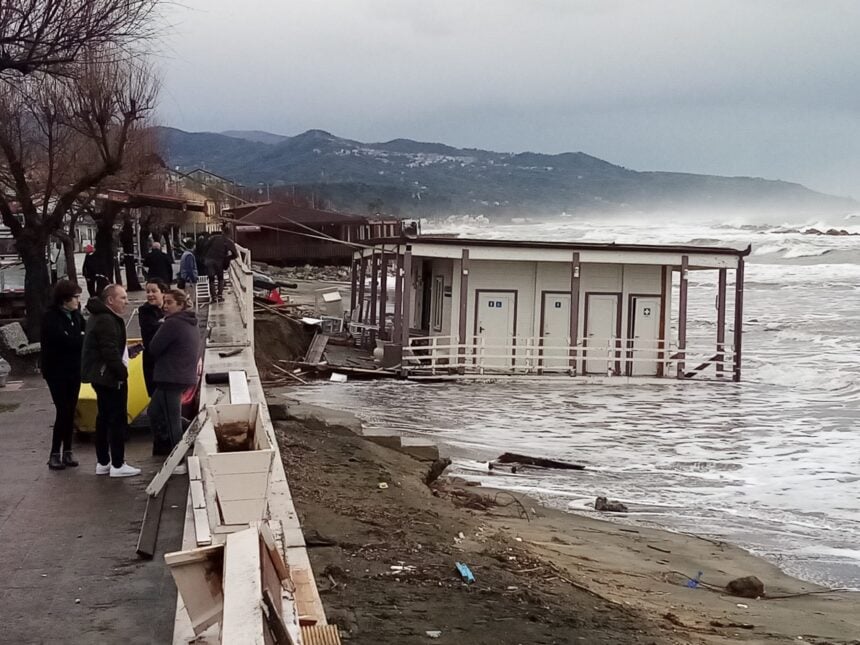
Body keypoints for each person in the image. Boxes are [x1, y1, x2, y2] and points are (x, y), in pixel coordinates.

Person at [81, 284, 141, 478]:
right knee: (116, 419)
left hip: (100, 376)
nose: (126, 302)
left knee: (104, 418)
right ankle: (117, 463)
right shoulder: (107, 320)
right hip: (109, 377)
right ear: (110, 300)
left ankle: (103, 462)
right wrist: (122, 373)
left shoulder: (98, 317)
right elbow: (109, 351)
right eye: (122, 298)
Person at [147, 289, 200, 468]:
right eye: (165, 302)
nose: (165, 306)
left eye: (169, 303)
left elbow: (154, 347)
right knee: (154, 412)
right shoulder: (190, 322)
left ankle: (178, 460)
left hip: (172, 376)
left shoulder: (172, 324)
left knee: (172, 420)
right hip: (180, 375)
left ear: (180, 304)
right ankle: (195, 428)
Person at [40, 280, 85, 470]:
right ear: (65, 299)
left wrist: (79, 337)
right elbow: (64, 340)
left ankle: (67, 450)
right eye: (75, 297)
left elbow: (85, 334)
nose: (77, 301)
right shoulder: (51, 317)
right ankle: (54, 453)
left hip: (74, 370)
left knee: (71, 409)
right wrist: (78, 337)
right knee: (63, 410)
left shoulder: (76, 316)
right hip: (56, 371)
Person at [138, 278, 167, 398]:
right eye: (148, 291)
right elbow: (152, 329)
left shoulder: (168, 308)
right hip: (153, 361)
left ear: (163, 292)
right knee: (157, 396)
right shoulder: (145, 311)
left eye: (154, 291)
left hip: (169, 361)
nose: (150, 295)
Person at [204, 225, 237, 302]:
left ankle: (213, 297)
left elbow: (205, 246)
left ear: (222, 232)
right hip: (219, 262)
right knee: (220, 278)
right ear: (229, 234)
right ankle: (220, 296)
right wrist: (227, 258)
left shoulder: (214, 238)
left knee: (211, 279)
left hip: (209, 260)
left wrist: (205, 257)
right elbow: (235, 255)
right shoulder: (229, 242)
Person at [178, 240, 199, 305]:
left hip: (185, 279)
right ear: (193, 246)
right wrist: (193, 279)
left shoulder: (185, 254)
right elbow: (189, 269)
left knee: (186, 298)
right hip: (189, 280)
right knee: (190, 299)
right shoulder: (189, 255)